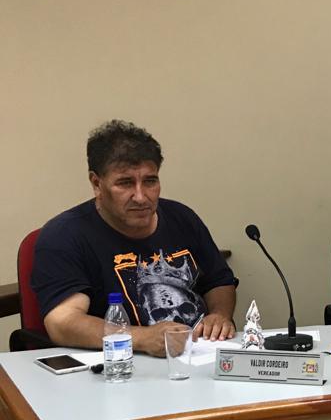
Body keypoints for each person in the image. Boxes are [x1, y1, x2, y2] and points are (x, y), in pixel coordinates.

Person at [31, 120, 238, 356]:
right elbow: (63, 322)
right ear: (97, 184)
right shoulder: (64, 235)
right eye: (125, 183)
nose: (140, 197)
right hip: (122, 363)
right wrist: (140, 338)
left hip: (200, 355)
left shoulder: (182, 217)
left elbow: (218, 281)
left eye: (150, 181)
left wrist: (219, 315)